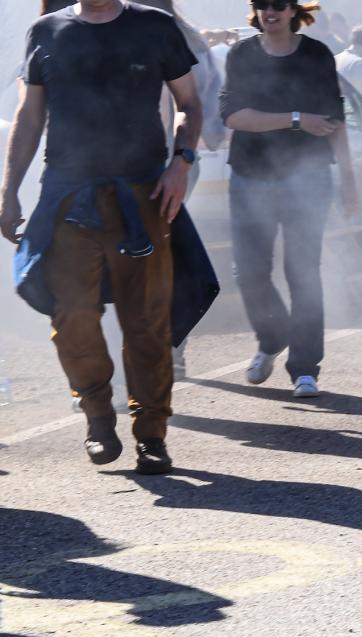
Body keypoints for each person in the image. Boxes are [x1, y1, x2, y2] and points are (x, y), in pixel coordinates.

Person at [4, 0, 213, 475]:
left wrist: (181, 162)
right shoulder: (47, 31)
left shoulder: (154, 26)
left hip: (142, 195)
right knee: (72, 315)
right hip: (67, 194)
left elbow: (190, 104)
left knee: (146, 322)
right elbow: (30, 115)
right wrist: (9, 189)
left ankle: (152, 433)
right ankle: (98, 415)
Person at [223, 0, 358, 400]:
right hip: (250, 178)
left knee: (303, 273)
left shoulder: (316, 55)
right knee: (248, 272)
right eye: (262, 4)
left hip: (308, 178)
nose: (270, 11)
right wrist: (296, 118)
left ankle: (304, 368)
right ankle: (272, 336)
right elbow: (233, 116)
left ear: (293, 10)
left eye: (278, 4)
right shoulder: (241, 54)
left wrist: (350, 181)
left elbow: (335, 121)